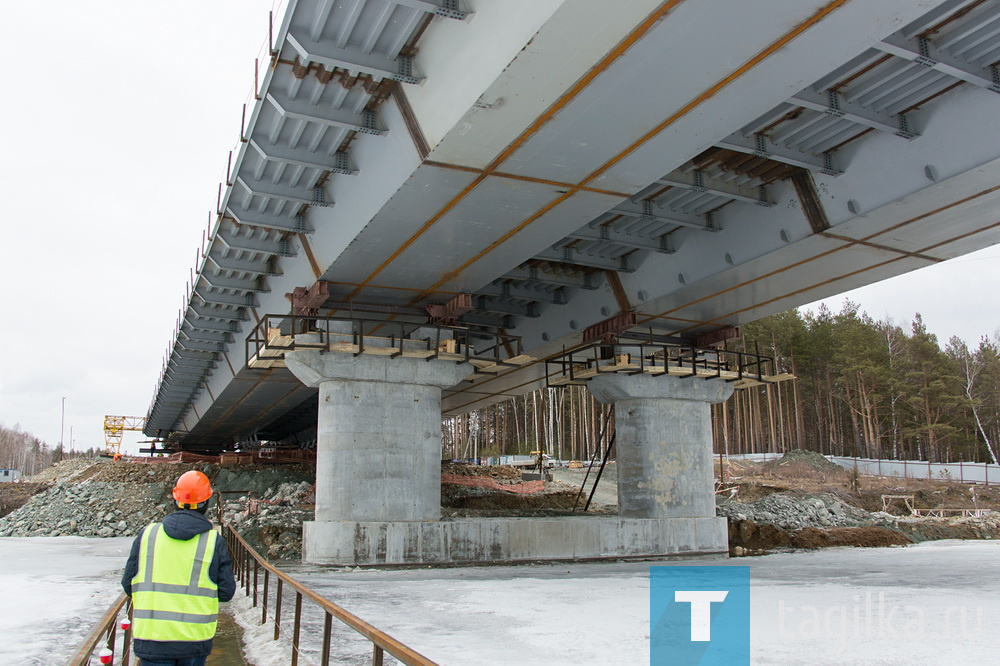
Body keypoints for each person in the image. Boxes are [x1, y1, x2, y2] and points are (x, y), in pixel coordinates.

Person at [121, 470, 236, 665]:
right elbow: (226, 592)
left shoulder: (148, 535)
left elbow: (128, 585)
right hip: (193, 641)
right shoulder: (213, 542)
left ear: (175, 500)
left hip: (152, 640)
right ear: (206, 503)